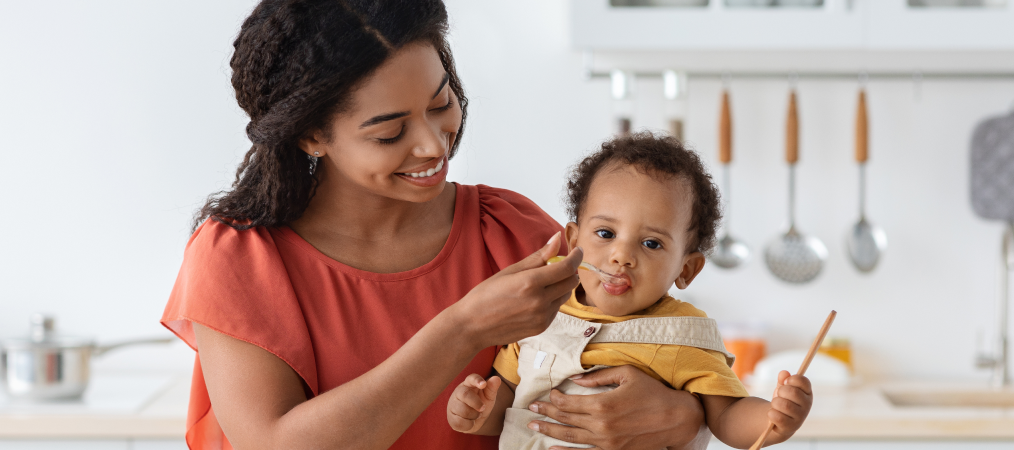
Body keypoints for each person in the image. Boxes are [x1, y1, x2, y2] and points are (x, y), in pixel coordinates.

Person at [160, 1, 713, 449]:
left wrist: (682, 416)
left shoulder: (510, 231)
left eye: (441, 102)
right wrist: (463, 328)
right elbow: (273, 444)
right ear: (311, 136)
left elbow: (640, 353)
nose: (432, 144)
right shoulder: (240, 257)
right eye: (388, 132)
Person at [446, 132, 814, 449]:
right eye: (605, 234)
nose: (622, 256)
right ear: (572, 241)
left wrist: (775, 417)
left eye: (652, 244)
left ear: (686, 270)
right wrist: (475, 410)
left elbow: (728, 417)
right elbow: (507, 400)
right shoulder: (539, 312)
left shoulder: (684, 335)